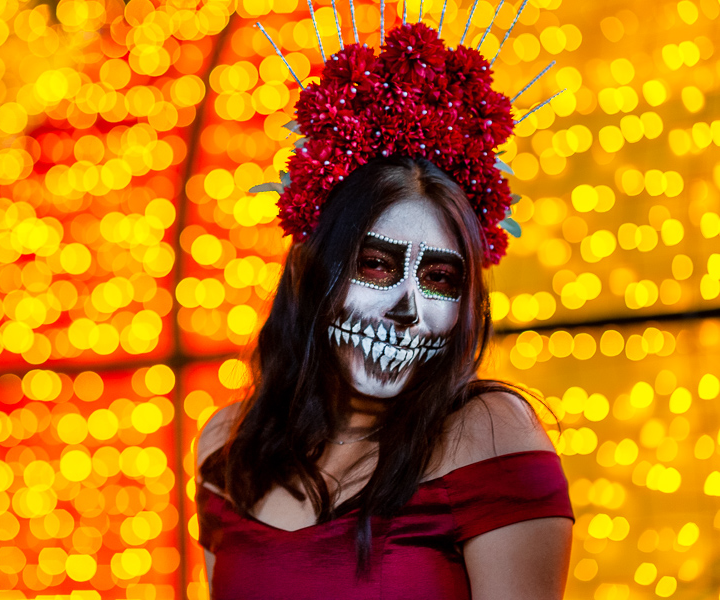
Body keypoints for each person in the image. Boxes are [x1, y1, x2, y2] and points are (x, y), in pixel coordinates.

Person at [194, 16, 574, 600]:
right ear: (308, 269)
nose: (408, 307)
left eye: (441, 277)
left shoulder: (487, 435)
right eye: (374, 264)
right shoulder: (228, 444)